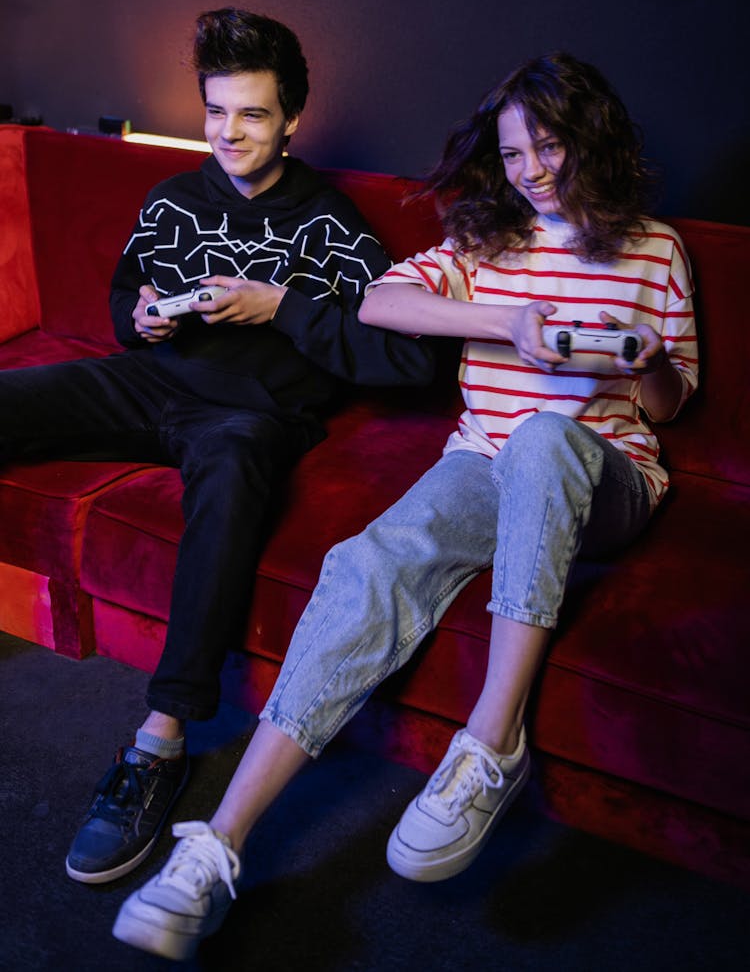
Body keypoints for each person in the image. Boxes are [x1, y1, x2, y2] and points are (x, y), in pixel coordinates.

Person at [111, 51, 698, 961]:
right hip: (483, 466)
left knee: (546, 438)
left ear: (594, 140)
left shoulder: (655, 247)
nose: (533, 169)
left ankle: (492, 743)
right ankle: (216, 844)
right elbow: (381, 304)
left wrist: (645, 357)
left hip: (607, 477)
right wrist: (505, 322)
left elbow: (667, 405)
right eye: (512, 155)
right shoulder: (488, 242)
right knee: (366, 562)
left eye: (550, 146)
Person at [0, 7, 435, 885]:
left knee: (233, 474)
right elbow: (128, 294)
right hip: (154, 383)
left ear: (291, 120)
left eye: (253, 114)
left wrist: (279, 308)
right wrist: (145, 319)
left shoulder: (332, 224)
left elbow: (409, 358)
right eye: (218, 112)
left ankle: (160, 740)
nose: (230, 133)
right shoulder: (173, 197)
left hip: (251, 416)